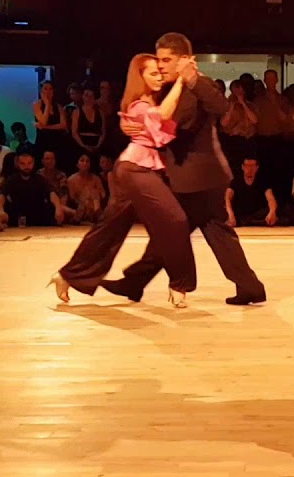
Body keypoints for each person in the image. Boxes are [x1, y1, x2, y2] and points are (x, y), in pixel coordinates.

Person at [107, 33, 266, 306]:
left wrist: (189, 80)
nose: (161, 66)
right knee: (204, 232)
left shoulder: (197, 84)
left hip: (196, 177)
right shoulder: (173, 89)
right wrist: (131, 123)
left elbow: (219, 107)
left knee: (175, 231)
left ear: (184, 60)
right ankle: (250, 287)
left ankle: (134, 282)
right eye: (158, 60)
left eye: (166, 60)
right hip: (196, 176)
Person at [51, 54, 197, 307]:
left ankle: (67, 275)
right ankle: (179, 284)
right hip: (135, 169)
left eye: (160, 73)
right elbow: (162, 115)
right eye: (153, 73)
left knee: (110, 228)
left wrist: (186, 76)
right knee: (174, 219)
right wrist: (181, 81)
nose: (159, 77)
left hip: (143, 168)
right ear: (140, 78)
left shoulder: (152, 101)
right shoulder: (138, 105)